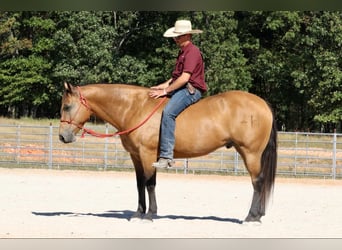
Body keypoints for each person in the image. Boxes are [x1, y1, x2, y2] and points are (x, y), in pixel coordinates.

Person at [149, 19, 207, 168]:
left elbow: (185, 78)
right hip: (182, 87)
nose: (175, 39)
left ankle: (166, 156)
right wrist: (159, 87)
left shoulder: (192, 52)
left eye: (178, 36)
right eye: (175, 37)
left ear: (187, 35)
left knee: (168, 113)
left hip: (191, 91)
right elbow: (175, 78)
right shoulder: (182, 52)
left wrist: (165, 91)